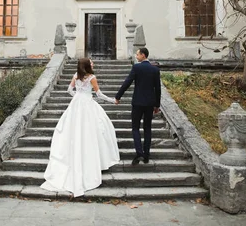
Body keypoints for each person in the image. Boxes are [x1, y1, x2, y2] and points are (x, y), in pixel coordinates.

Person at [41, 58, 120, 197]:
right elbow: (99, 94)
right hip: (87, 103)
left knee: (74, 129)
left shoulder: (76, 76)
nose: (93, 64)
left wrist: (78, 96)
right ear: (87, 65)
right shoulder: (92, 77)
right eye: (91, 62)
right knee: (94, 130)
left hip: (76, 103)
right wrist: (112, 100)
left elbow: (69, 89)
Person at [115, 47, 161, 165]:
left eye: (138, 54)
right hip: (150, 103)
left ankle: (139, 153)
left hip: (137, 103)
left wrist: (118, 96)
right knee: (147, 128)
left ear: (143, 55)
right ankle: (146, 155)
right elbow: (158, 89)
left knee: (135, 128)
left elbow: (127, 82)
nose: (136, 56)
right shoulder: (155, 70)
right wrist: (157, 105)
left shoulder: (136, 67)